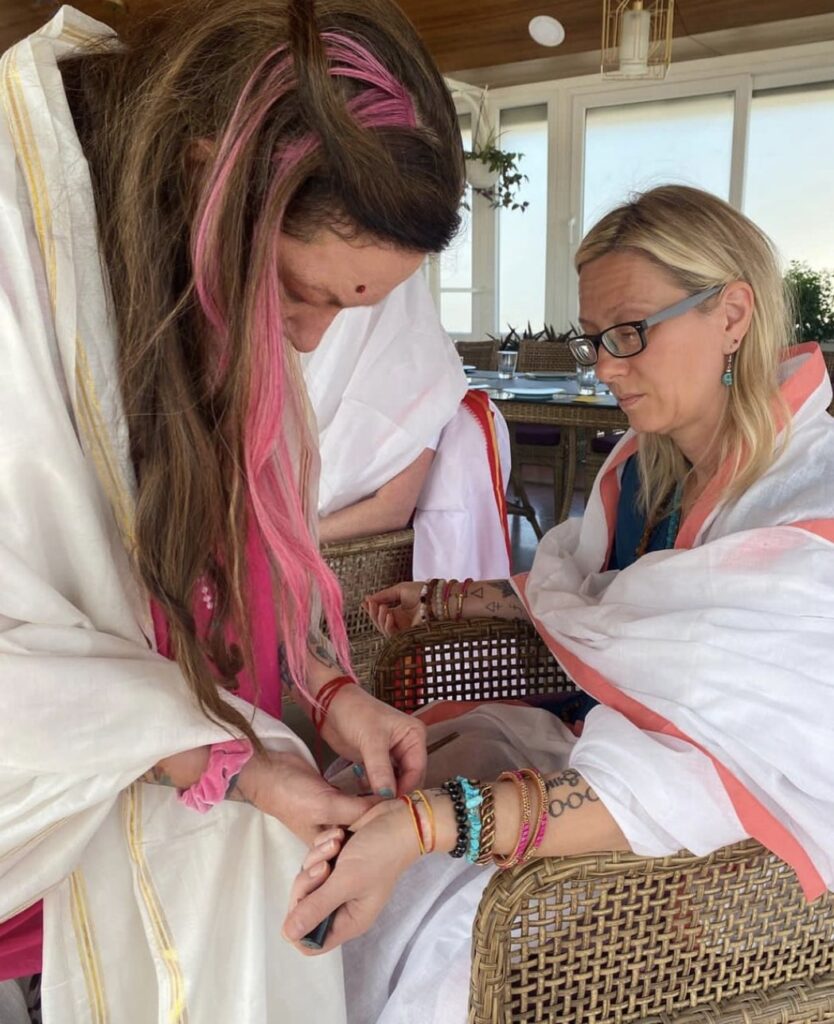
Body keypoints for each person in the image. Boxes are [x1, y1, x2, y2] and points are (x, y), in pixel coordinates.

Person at [0, 0, 465, 1018]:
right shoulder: (24, 282)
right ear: (212, 183)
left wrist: (331, 690)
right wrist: (245, 771)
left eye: (348, 310)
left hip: (173, 839)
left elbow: (221, 570)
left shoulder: (220, 313)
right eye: (306, 293)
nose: (304, 342)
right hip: (44, 874)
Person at [283, 185, 834, 1024]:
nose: (605, 367)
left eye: (629, 334)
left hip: (724, 838)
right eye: (595, 339)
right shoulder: (642, 470)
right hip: (611, 757)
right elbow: (606, 606)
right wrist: (453, 599)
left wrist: (427, 829)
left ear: (732, 314)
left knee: (440, 923)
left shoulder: (809, 509)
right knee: (366, 797)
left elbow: (703, 766)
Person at [303, 271, 513, 579]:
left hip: (351, 564)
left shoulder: (417, 379)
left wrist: (289, 537)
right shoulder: (332, 366)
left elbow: (391, 509)